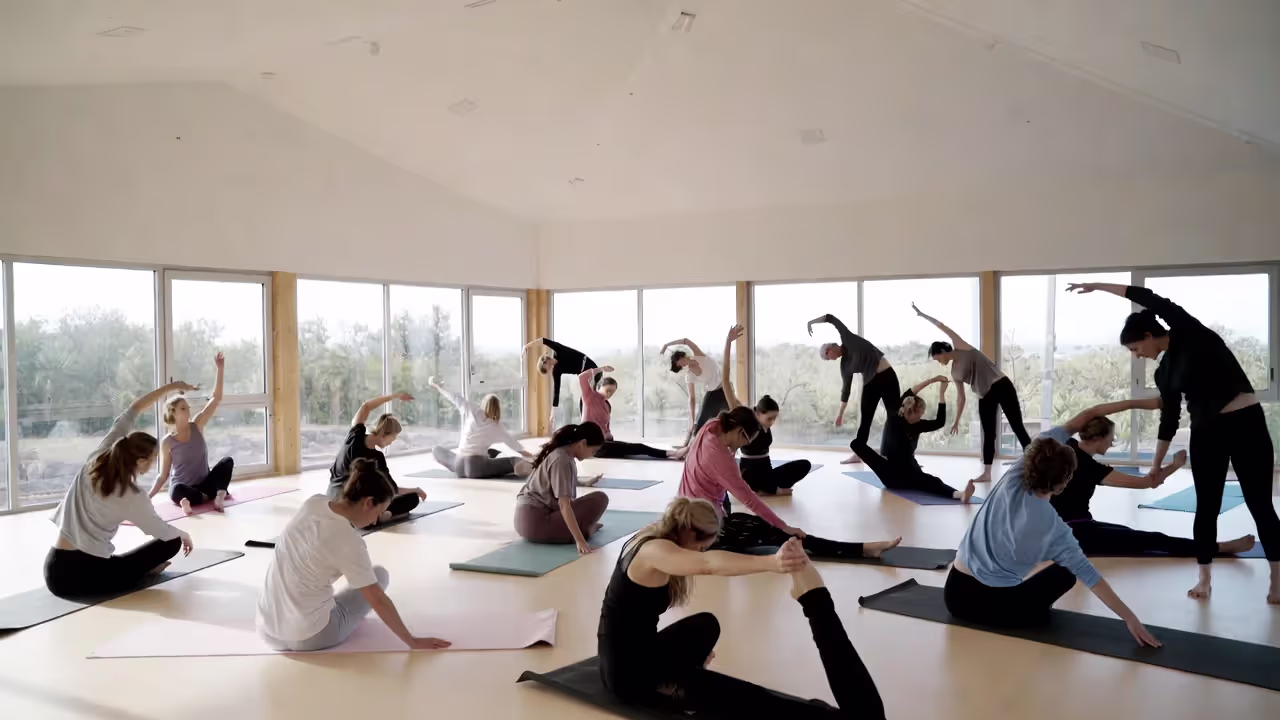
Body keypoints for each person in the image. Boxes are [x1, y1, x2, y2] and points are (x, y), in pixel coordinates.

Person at [1067, 282, 1279, 602]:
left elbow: (1148, 297)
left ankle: (1277, 580)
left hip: (1246, 424)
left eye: (1135, 348)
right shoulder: (1163, 373)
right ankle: (1204, 578)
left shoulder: (1189, 332)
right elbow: (1169, 419)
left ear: (1149, 336)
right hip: (1207, 433)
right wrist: (1155, 465)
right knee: (1206, 507)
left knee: (1260, 504)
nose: (1138, 356)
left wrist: (1098, 286)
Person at [598, 497, 887, 719]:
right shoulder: (653, 552)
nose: (701, 552)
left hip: (638, 649)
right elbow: (709, 565)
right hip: (628, 674)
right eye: (701, 546)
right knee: (746, 699)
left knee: (706, 624)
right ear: (688, 532)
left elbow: (705, 559)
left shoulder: (657, 534)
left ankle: (681, 675)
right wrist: (773, 563)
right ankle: (665, 687)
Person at [945, 430, 1161, 647]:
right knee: (1065, 574)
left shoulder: (1011, 477)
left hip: (954, 596)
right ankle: (1026, 610)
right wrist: (1130, 618)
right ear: (1063, 484)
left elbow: (1053, 434)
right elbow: (1090, 577)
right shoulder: (1055, 529)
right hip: (997, 610)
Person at [257, 458, 452, 652]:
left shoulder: (313, 503)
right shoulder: (349, 541)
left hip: (267, 631)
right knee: (380, 575)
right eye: (379, 511)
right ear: (368, 502)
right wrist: (413, 641)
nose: (376, 520)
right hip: (311, 636)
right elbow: (377, 599)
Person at [680, 405, 901, 559]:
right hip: (701, 529)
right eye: (745, 441)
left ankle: (862, 548)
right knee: (781, 534)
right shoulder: (720, 457)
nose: (740, 448)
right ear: (738, 430)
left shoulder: (711, 426)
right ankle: (863, 549)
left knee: (746, 518)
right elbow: (749, 499)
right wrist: (784, 525)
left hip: (690, 511)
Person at [44, 381, 197, 598]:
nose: (153, 464)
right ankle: (137, 574)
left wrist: (169, 388)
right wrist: (184, 534)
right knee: (172, 542)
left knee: (118, 561)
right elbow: (162, 531)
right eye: (153, 460)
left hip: (53, 568)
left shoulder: (97, 458)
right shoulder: (132, 496)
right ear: (141, 461)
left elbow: (134, 409)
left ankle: (134, 571)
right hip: (81, 578)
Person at [1049, 398, 1255, 557]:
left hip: (1070, 527)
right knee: (1151, 540)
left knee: (1129, 533)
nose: (1112, 443)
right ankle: (1219, 548)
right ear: (1099, 438)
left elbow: (1090, 413)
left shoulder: (1066, 446)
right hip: (1071, 534)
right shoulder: (1091, 467)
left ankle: (1213, 547)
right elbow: (1149, 482)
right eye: (1111, 438)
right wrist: (1175, 465)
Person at [913, 302, 1031, 483]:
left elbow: (943, 327)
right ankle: (987, 473)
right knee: (988, 432)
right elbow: (961, 398)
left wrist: (922, 315)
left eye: (939, 358)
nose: (939, 362)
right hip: (985, 395)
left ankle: (1034, 466)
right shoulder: (954, 372)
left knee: (1017, 426)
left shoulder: (962, 347)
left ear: (944, 351)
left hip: (1001, 385)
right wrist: (957, 420)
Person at [850, 374, 977, 503]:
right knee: (856, 444)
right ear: (911, 411)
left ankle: (960, 495)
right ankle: (955, 493)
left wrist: (941, 393)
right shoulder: (895, 419)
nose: (922, 415)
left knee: (931, 481)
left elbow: (939, 422)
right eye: (920, 412)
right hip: (891, 473)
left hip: (907, 474)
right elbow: (910, 393)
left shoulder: (919, 425)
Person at [719, 325, 812, 495]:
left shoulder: (765, 425)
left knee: (804, 465)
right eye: (769, 418)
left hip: (767, 473)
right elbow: (725, 381)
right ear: (757, 413)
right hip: (749, 475)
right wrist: (728, 342)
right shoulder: (744, 419)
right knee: (771, 486)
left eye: (774, 418)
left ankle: (768, 488)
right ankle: (765, 489)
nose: (772, 422)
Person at [148, 352, 235, 515]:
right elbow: (163, 475)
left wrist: (220, 369)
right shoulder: (168, 442)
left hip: (206, 483)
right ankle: (209, 496)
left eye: (187, 407)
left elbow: (216, 399)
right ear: (173, 413)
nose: (188, 409)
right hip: (186, 488)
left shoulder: (197, 425)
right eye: (183, 408)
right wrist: (149, 497)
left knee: (227, 462)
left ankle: (213, 495)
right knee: (175, 490)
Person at [805, 313, 896, 465]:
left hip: (887, 376)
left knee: (895, 416)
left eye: (828, 356)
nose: (831, 359)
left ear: (831, 348)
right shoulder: (845, 366)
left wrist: (811, 322)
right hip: (870, 383)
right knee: (865, 421)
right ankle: (858, 455)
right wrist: (840, 414)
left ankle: (897, 456)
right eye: (828, 360)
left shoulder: (847, 338)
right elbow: (845, 392)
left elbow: (830, 318)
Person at [327, 392, 425, 524]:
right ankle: (375, 517)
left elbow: (366, 406)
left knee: (409, 498)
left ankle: (374, 516)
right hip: (350, 502)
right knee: (411, 499)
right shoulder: (374, 456)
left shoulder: (355, 436)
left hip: (331, 498)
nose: (393, 441)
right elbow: (392, 490)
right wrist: (416, 490)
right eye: (393, 437)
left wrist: (395, 396)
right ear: (385, 434)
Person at [514, 422, 610, 554]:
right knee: (600, 499)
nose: (591, 455)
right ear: (582, 443)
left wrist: (583, 483)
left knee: (584, 503)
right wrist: (580, 540)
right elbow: (564, 505)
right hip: (537, 522)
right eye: (592, 451)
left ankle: (582, 528)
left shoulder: (562, 453)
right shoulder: (562, 460)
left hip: (525, 523)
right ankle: (586, 530)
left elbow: (560, 482)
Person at [427, 377, 534, 478]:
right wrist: (532, 456)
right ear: (498, 409)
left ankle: (440, 456)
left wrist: (438, 386)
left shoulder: (473, 410)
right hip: (477, 468)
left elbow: (454, 397)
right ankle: (530, 467)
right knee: (513, 461)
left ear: (483, 404)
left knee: (437, 449)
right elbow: (516, 446)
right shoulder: (497, 426)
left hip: (459, 464)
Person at [578, 366, 687, 460]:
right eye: (608, 390)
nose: (610, 394)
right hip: (592, 446)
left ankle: (671, 453)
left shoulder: (606, 405)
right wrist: (602, 369)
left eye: (613, 392)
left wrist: (609, 436)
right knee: (638, 447)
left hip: (603, 443)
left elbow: (605, 427)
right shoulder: (589, 397)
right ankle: (672, 453)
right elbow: (582, 377)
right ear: (600, 387)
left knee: (634, 447)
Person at [660, 336, 728, 446]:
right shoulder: (690, 375)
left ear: (682, 356)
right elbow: (691, 398)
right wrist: (691, 419)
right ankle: (687, 447)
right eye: (679, 366)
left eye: (679, 363)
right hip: (713, 394)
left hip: (726, 390)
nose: (681, 366)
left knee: (733, 419)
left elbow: (685, 341)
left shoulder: (699, 355)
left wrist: (667, 345)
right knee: (700, 424)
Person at [523, 337, 597, 429]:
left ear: (546, 360)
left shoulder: (558, 350)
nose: (551, 368)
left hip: (591, 367)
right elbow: (556, 392)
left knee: (591, 399)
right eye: (549, 369)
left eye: (548, 366)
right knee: (584, 400)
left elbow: (544, 340)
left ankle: (594, 424)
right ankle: (586, 426)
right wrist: (552, 413)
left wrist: (527, 346)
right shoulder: (556, 371)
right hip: (585, 375)